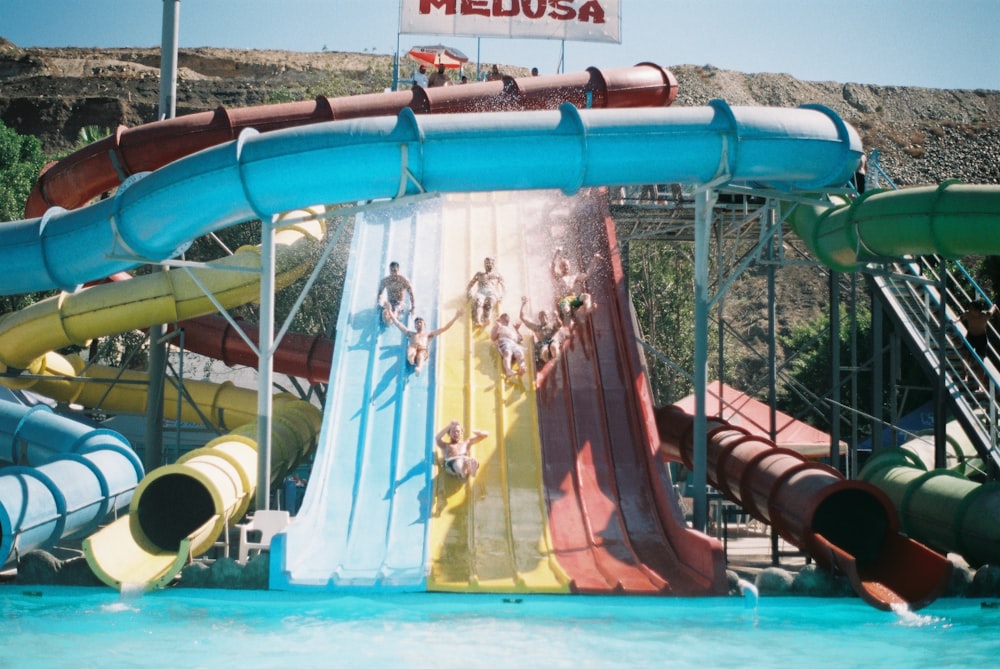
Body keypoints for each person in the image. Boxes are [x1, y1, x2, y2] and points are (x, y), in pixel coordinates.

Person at [386, 308, 463, 374]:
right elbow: (398, 323)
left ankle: (419, 367)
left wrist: (456, 317)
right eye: (417, 323)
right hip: (413, 348)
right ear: (415, 326)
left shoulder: (428, 335)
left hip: (422, 350)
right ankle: (411, 359)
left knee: (421, 355)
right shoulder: (410, 333)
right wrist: (389, 310)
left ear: (424, 324)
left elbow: (444, 328)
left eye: (420, 322)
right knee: (411, 349)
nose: (419, 323)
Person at [551, 246, 601, 327]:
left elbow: (587, 275)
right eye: (563, 266)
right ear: (560, 268)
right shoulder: (559, 277)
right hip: (563, 301)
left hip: (572, 300)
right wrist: (557, 253)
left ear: (570, 267)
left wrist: (594, 261)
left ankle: (588, 309)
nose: (566, 267)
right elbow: (552, 268)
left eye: (567, 265)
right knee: (565, 307)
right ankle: (569, 324)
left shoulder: (574, 277)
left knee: (586, 296)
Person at [954, 298, 998, 386]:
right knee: (964, 354)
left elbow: (994, 307)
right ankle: (965, 375)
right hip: (970, 336)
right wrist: (955, 320)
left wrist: (996, 309)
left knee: (980, 362)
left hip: (981, 339)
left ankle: (981, 385)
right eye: (969, 308)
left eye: (971, 308)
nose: (969, 310)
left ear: (977, 310)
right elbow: (960, 317)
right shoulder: (968, 314)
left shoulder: (985, 315)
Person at [520, 296, 568, 367]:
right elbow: (522, 317)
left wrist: (557, 317)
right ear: (539, 318)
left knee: (553, 347)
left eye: (545, 315)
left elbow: (559, 325)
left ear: (548, 317)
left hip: (552, 341)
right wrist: (523, 304)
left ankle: (555, 357)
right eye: (541, 316)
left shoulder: (551, 325)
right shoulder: (537, 327)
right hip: (542, 344)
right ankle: (546, 359)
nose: (544, 317)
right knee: (544, 351)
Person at [466, 256, 505, 327]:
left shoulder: (497, 275)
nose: (488, 265)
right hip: (481, 291)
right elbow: (469, 286)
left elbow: (504, 287)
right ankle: (478, 321)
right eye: (486, 263)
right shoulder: (479, 274)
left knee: (489, 302)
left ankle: (487, 320)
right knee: (479, 301)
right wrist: (468, 293)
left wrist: (502, 296)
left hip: (492, 291)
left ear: (493, 264)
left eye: (490, 263)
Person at [490, 312, 527, 379]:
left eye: (507, 317)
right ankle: (508, 370)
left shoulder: (512, 329)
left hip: (514, 344)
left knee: (520, 353)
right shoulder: (499, 326)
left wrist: (517, 329)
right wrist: (498, 327)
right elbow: (493, 338)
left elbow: (521, 340)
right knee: (508, 352)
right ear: (500, 319)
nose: (506, 318)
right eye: (503, 317)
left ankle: (522, 367)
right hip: (504, 342)